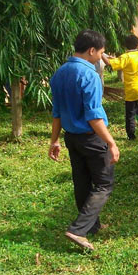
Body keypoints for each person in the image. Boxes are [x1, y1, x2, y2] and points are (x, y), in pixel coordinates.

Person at [49, 29, 120, 251]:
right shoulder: (89, 75)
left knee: (82, 182)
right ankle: (78, 230)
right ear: (91, 50)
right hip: (91, 139)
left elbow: (57, 111)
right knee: (103, 184)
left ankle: (92, 226)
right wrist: (111, 142)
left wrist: (54, 141)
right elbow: (94, 116)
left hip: (72, 138)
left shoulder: (60, 72)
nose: (102, 57)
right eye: (101, 52)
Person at [102, 34, 138, 140]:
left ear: (125, 46)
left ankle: (131, 135)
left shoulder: (124, 57)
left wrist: (101, 52)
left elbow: (108, 63)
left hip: (132, 90)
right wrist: (116, 59)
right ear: (137, 45)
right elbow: (126, 61)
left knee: (130, 114)